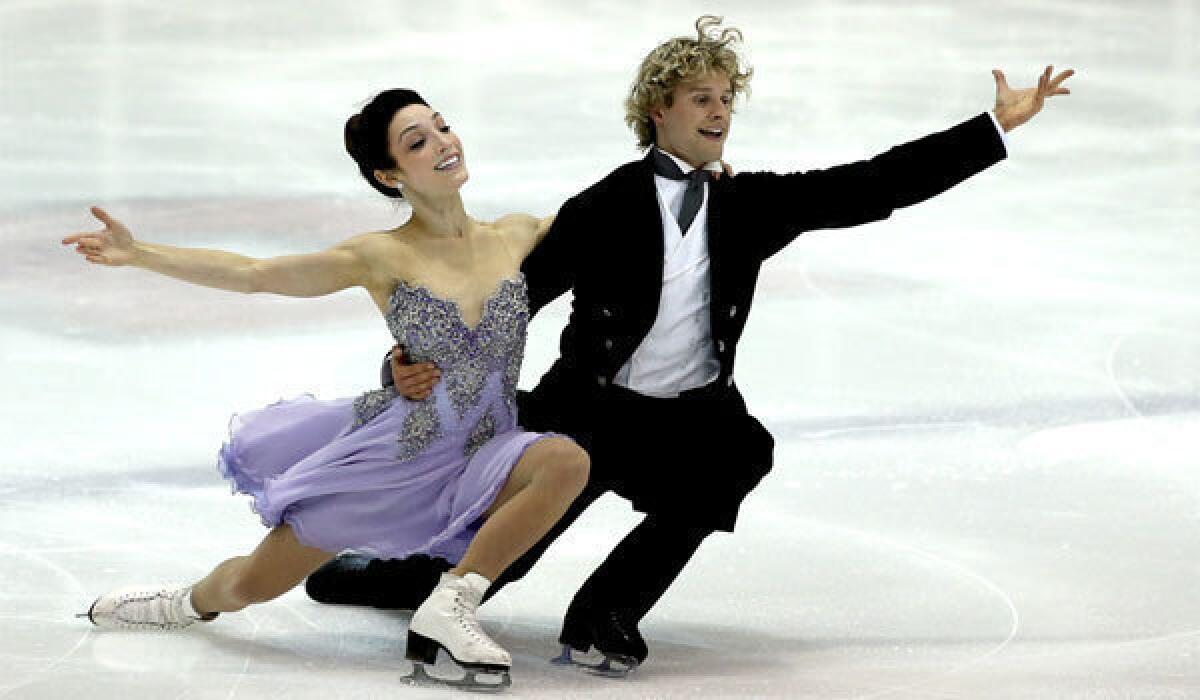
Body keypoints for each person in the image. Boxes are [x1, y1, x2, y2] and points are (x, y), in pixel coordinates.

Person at [305, 16, 1075, 673]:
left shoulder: (749, 205)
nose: (719, 112)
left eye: (726, 98)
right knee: (499, 564)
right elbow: (512, 306)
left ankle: (603, 615)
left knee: (736, 456)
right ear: (658, 109)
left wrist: (994, 126)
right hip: (587, 416)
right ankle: (398, 578)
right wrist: (412, 363)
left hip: (689, 420)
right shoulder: (606, 204)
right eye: (701, 98)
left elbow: (870, 184)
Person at [60, 88, 594, 690]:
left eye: (442, 127)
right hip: (400, 458)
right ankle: (182, 602)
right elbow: (256, 275)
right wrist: (140, 253)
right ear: (389, 174)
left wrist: (700, 171)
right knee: (248, 584)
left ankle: (452, 605)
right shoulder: (379, 254)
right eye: (418, 141)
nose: (443, 143)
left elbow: (617, 214)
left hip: (485, 451)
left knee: (564, 460)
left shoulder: (515, 235)